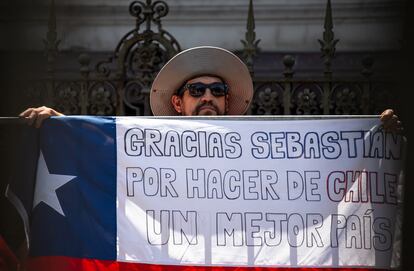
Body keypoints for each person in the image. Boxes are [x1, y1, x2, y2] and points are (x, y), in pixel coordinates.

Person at [19, 46, 402, 132]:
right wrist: (60, 124)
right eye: (197, 90)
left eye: (217, 90)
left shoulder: (261, 142)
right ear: (178, 102)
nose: (207, 96)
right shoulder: (150, 139)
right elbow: (102, 146)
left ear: (227, 99)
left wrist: (372, 136)